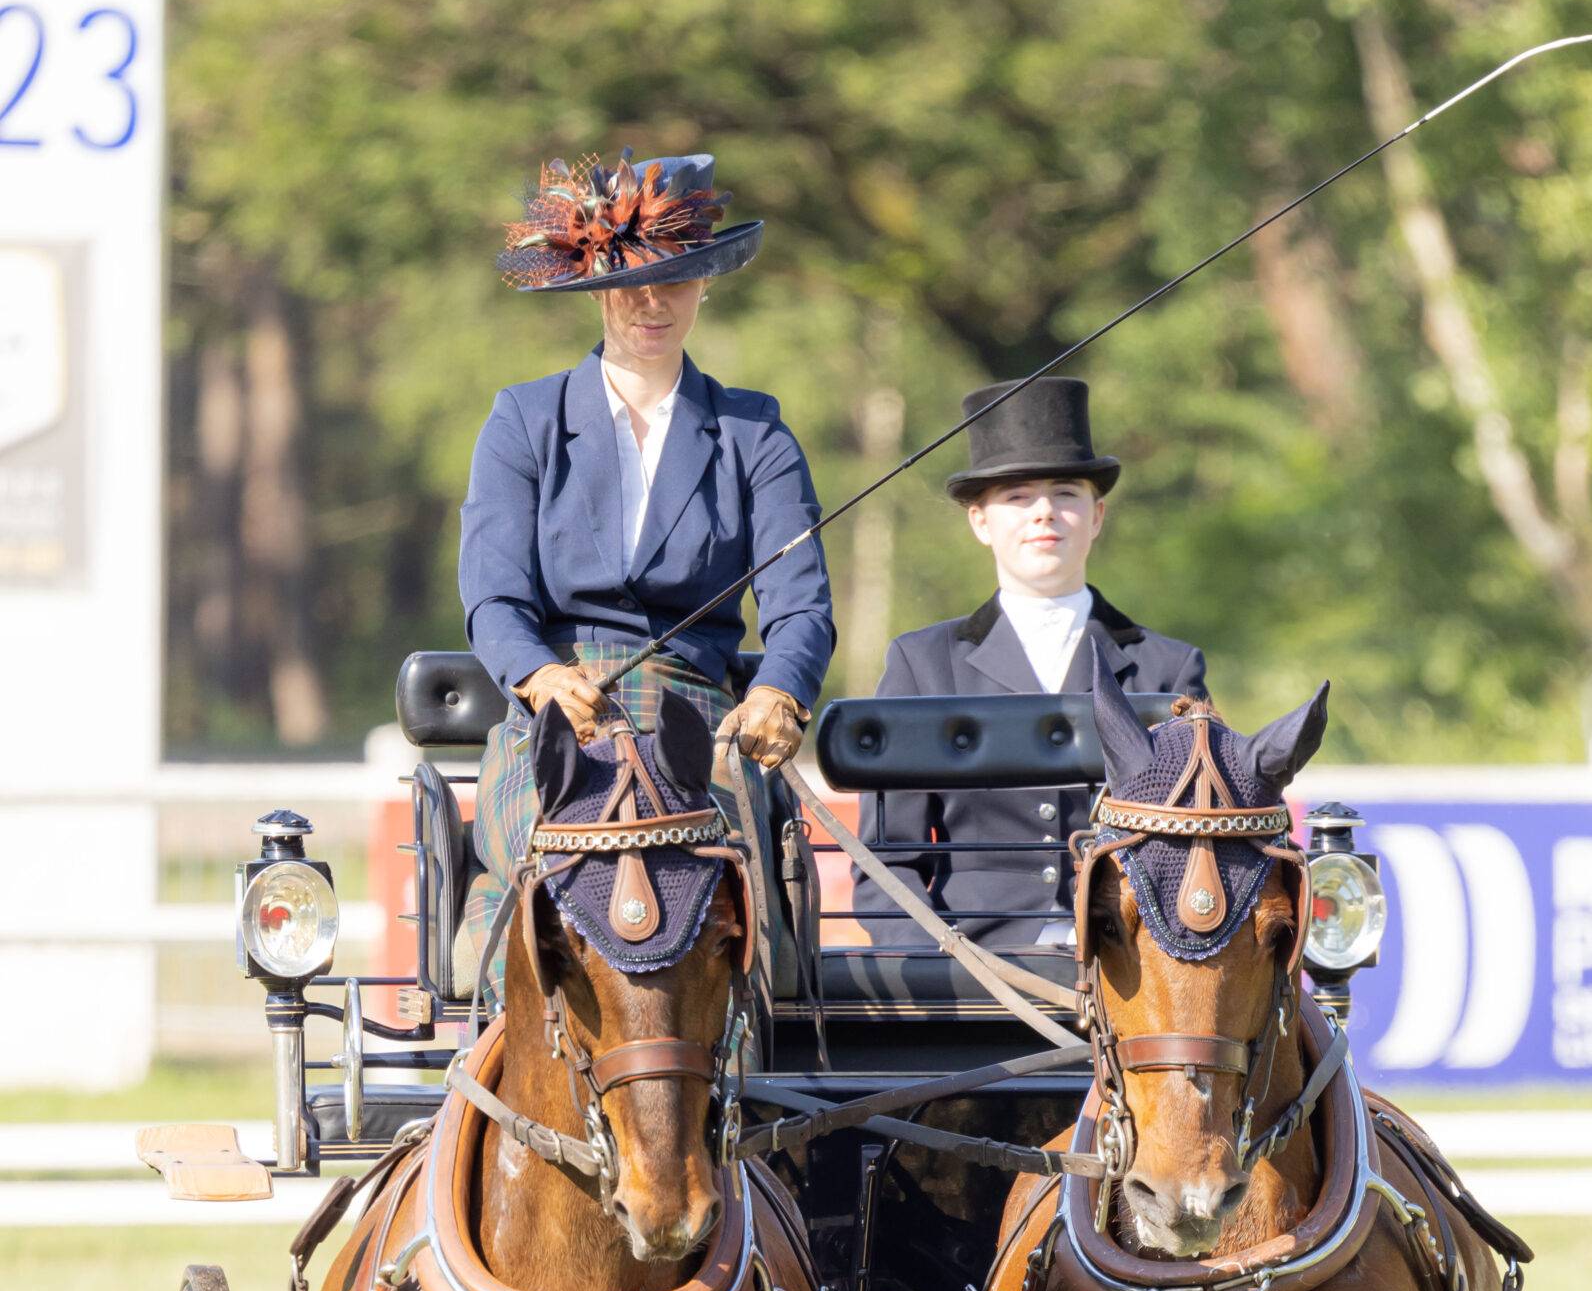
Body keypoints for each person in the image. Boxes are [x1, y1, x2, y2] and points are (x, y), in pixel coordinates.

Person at [457, 150, 833, 978]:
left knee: (730, 905)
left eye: (674, 280)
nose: (651, 303)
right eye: (629, 284)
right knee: (538, 877)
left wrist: (779, 691)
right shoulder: (522, 420)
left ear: (705, 286)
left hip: (696, 716)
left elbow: (800, 609)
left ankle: (734, 1096)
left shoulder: (754, 434)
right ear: (594, 289)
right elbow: (493, 597)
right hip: (561, 712)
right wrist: (539, 677)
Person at [852, 376, 1207, 952]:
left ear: (1096, 516)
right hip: (974, 964)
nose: (1044, 512)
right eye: (1017, 497)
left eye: (1066, 493)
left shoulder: (1168, 667)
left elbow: (1194, 851)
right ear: (980, 522)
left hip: (1136, 968)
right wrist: (934, 973)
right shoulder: (921, 663)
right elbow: (890, 861)